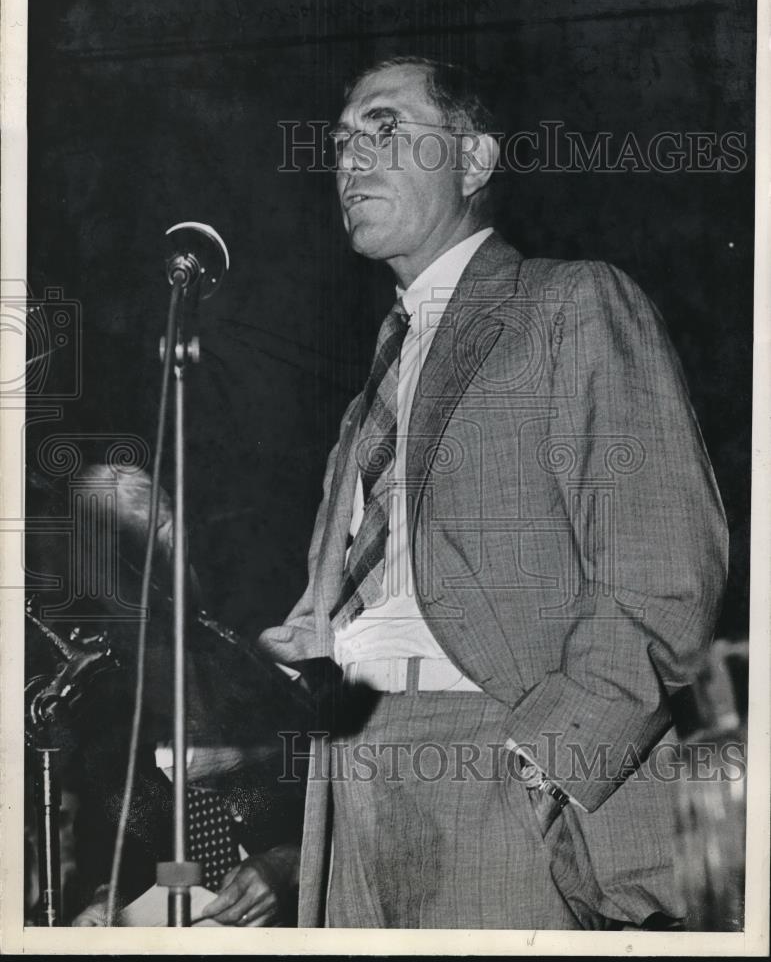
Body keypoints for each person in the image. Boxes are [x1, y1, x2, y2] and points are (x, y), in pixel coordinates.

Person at [250, 55, 728, 929]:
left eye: (385, 129)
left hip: (496, 763)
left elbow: (663, 570)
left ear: (473, 163)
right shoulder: (364, 404)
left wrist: (544, 763)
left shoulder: (571, 304)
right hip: (348, 775)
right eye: (340, 142)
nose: (349, 161)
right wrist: (296, 651)